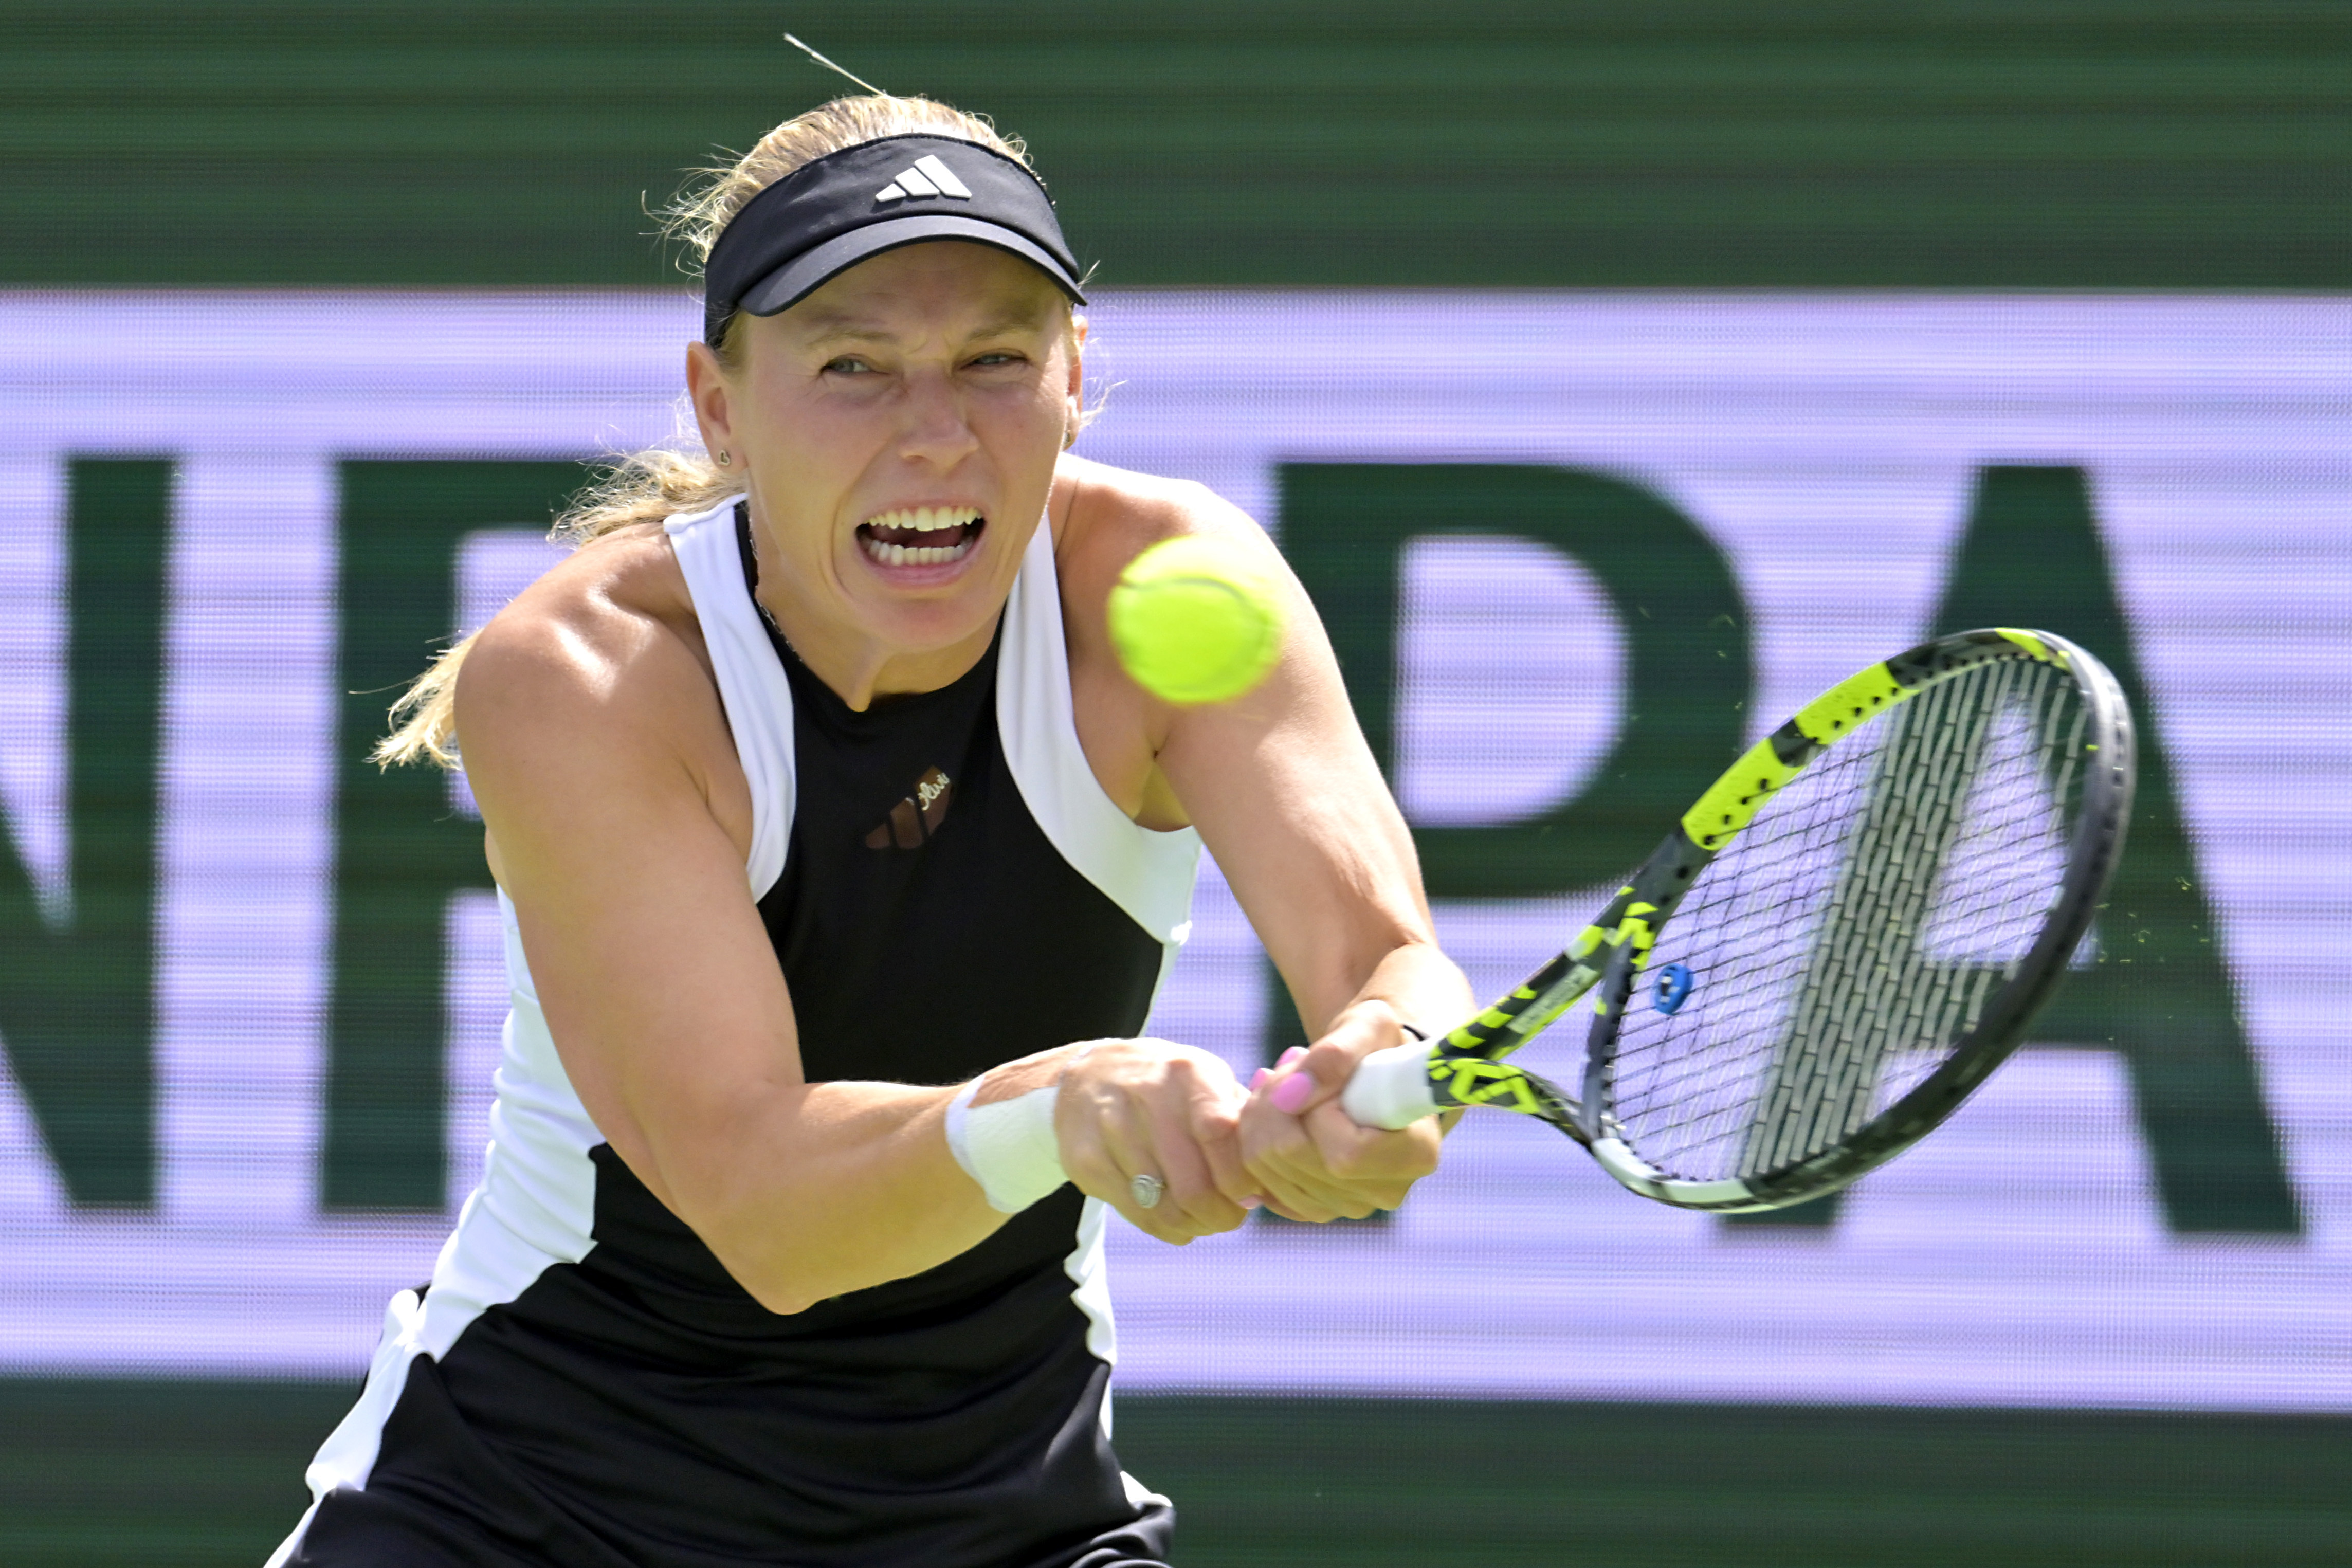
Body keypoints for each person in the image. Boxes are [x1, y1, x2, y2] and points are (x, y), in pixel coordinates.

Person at [272, 93, 1472, 1568]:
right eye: (854, 368)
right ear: (722, 402)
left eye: (995, 364)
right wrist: (1066, 1104)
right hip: (523, 1510)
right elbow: (769, 1211)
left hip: (1005, 1519)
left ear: (1077, 378)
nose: (936, 436)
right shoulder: (591, 670)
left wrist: (1384, 1080)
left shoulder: (1171, 596)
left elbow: (1391, 961)